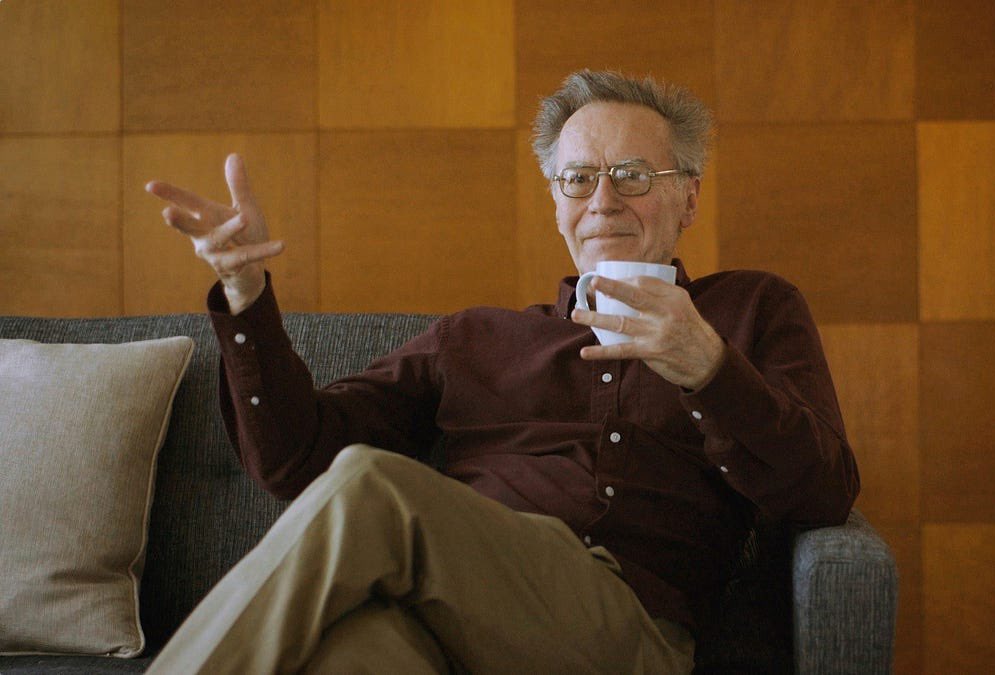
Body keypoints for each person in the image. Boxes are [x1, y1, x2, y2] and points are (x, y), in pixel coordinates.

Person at [143, 70, 859, 674]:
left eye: (633, 176)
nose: (603, 200)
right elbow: (296, 462)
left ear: (689, 198)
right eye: (578, 179)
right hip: (453, 618)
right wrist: (246, 294)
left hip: (628, 633)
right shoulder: (476, 338)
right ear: (556, 203)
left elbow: (821, 494)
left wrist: (709, 368)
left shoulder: (751, 310)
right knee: (350, 651)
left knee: (370, 481)